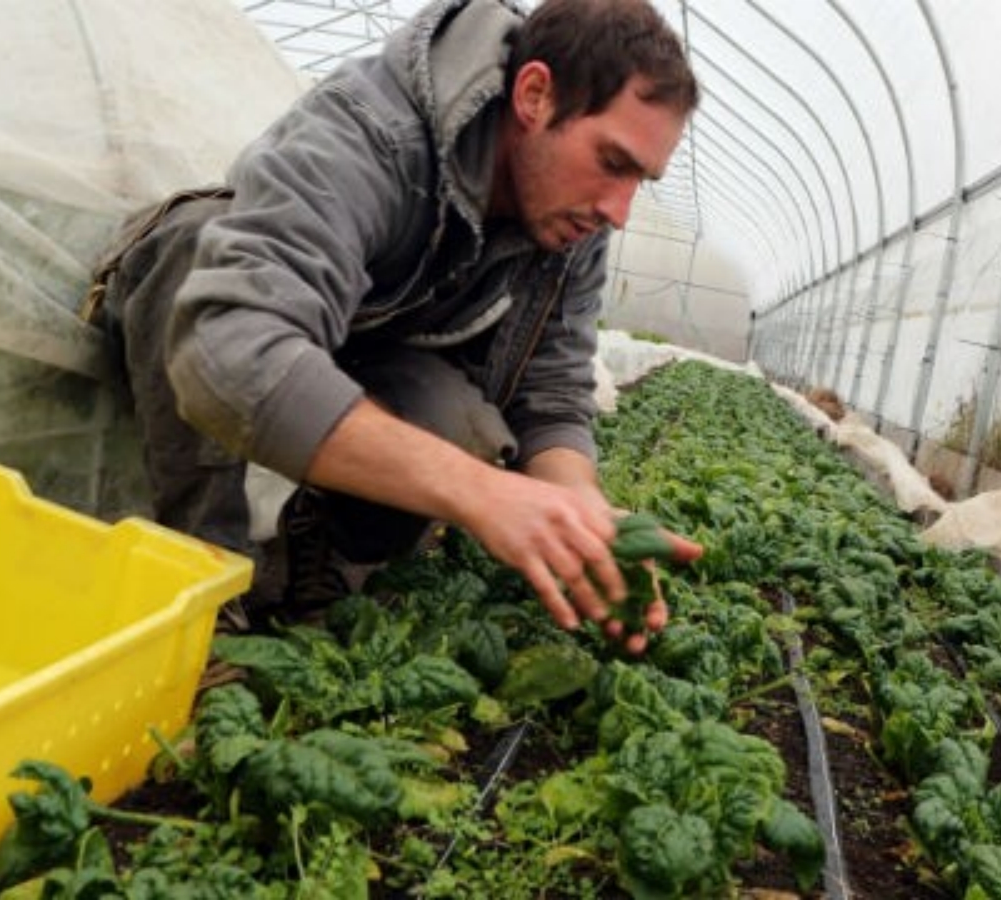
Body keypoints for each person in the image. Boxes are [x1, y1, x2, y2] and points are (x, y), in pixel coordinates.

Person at [89, 0, 702, 653]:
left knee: (457, 423)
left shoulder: (571, 222)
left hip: (360, 340)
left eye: (641, 178)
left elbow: (549, 394)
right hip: (195, 301)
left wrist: (584, 512)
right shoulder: (373, 131)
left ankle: (312, 573)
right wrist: (481, 494)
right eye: (613, 162)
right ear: (535, 95)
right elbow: (231, 355)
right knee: (197, 257)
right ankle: (204, 598)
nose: (619, 210)